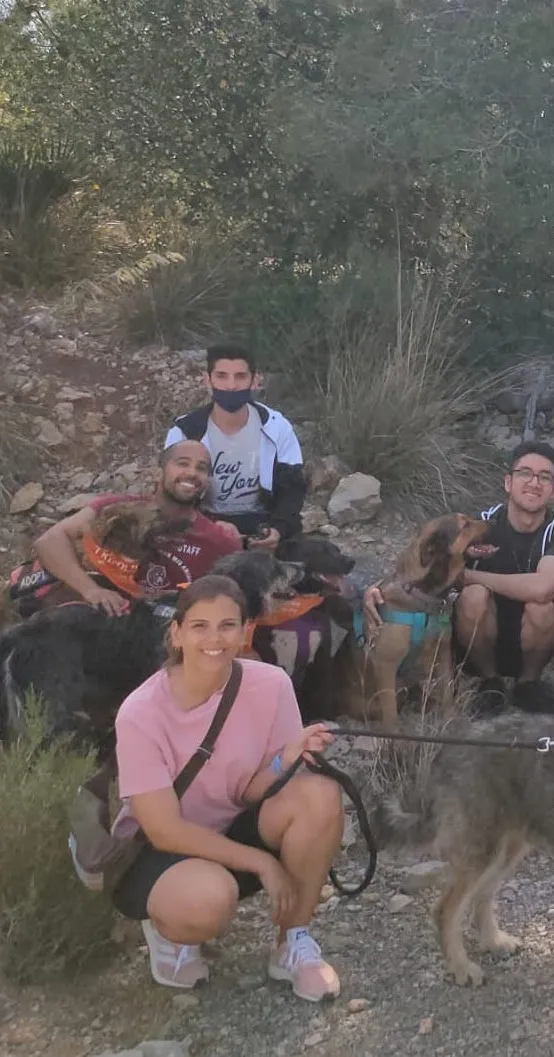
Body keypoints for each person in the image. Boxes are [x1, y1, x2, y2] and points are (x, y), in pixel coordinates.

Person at [108, 575, 346, 999]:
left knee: (320, 795)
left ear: (245, 631)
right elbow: (164, 830)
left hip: (230, 828)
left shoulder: (270, 684)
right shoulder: (140, 713)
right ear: (177, 633)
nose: (214, 639)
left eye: (227, 625)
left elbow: (247, 795)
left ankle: (292, 943)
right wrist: (263, 863)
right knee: (209, 902)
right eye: (200, 626)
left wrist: (286, 758)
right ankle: (169, 931)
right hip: (161, 850)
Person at [365, 442, 554, 709]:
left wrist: (466, 576)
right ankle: (489, 683)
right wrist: (376, 589)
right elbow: (422, 563)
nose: (534, 482)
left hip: (532, 643)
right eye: (525, 473)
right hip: (477, 642)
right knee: (473, 598)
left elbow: (542, 588)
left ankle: (529, 684)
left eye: (545, 476)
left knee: (541, 607)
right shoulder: (479, 526)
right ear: (508, 482)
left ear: (553, 490)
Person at [26, 440, 241, 615]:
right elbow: (49, 542)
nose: (192, 473)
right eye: (182, 464)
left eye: (201, 468)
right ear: (159, 473)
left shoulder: (219, 538)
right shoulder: (117, 508)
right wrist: (91, 590)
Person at [164, 345, 306, 549]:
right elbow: (171, 493)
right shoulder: (185, 431)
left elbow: (293, 488)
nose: (231, 386)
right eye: (221, 376)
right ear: (207, 379)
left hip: (264, 523)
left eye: (240, 376)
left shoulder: (276, 427)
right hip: (203, 525)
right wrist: (208, 527)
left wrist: (278, 529)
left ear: (255, 380)